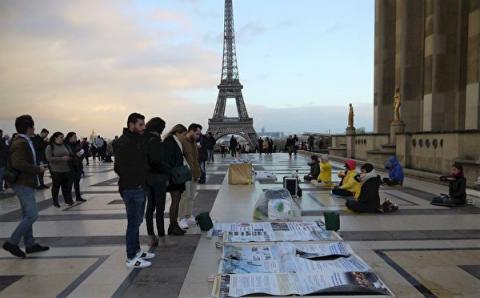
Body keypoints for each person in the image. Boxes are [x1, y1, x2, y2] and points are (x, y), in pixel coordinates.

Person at [2, 115, 49, 258]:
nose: (34, 129)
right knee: (32, 215)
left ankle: (30, 244)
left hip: (26, 181)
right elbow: (18, 163)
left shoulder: (23, 141)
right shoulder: (20, 143)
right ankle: (12, 242)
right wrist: (37, 169)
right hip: (22, 182)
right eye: (33, 127)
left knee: (26, 214)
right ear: (29, 128)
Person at [114, 113, 155, 268]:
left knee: (137, 221)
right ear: (131, 124)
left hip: (138, 186)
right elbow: (119, 167)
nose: (143, 127)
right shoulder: (125, 142)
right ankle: (131, 257)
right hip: (132, 187)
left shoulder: (135, 140)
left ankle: (137, 251)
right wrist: (136, 181)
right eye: (140, 125)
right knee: (133, 223)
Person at [144, 117, 172, 247]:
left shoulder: (143, 139)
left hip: (147, 178)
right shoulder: (155, 141)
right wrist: (167, 171)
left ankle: (151, 236)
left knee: (150, 207)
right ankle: (162, 238)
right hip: (158, 178)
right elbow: (157, 161)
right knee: (159, 209)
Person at [163, 124, 189, 235]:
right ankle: (173, 226)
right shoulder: (170, 142)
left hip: (176, 176)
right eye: (183, 134)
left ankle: (174, 225)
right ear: (177, 133)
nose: (185, 137)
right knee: (175, 201)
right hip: (174, 176)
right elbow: (168, 160)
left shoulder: (174, 142)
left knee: (176, 201)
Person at [179, 124, 202, 230]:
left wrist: (198, 173)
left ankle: (188, 215)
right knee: (185, 196)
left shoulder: (194, 143)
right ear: (191, 131)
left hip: (194, 173)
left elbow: (196, 160)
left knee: (192, 196)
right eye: (197, 133)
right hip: (186, 174)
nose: (198, 136)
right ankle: (181, 218)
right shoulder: (182, 142)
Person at [46, 132, 74, 208]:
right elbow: (49, 158)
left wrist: (69, 157)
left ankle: (67, 200)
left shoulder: (65, 145)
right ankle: (55, 201)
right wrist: (61, 158)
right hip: (56, 170)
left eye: (63, 137)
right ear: (55, 138)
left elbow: (71, 154)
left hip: (66, 169)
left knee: (65, 186)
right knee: (56, 186)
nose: (62, 138)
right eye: (61, 137)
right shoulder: (50, 146)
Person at [64, 132, 86, 202]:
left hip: (78, 165)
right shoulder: (66, 145)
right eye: (74, 137)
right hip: (70, 166)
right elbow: (68, 154)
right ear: (70, 137)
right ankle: (69, 198)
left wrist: (81, 154)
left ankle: (78, 196)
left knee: (77, 182)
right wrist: (76, 155)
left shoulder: (77, 144)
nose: (76, 138)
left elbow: (82, 153)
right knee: (69, 183)